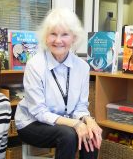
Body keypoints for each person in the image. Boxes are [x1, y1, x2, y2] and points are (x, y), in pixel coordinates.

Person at [15, 8, 102, 159]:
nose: (58, 40)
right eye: (53, 34)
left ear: (74, 38)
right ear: (45, 37)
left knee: (91, 133)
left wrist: (88, 120)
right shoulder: (35, 65)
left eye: (65, 34)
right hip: (31, 123)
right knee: (68, 135)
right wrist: (75, 124)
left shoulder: (82, 67)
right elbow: (39, 112)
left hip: (63, 123)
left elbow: (80, 107)